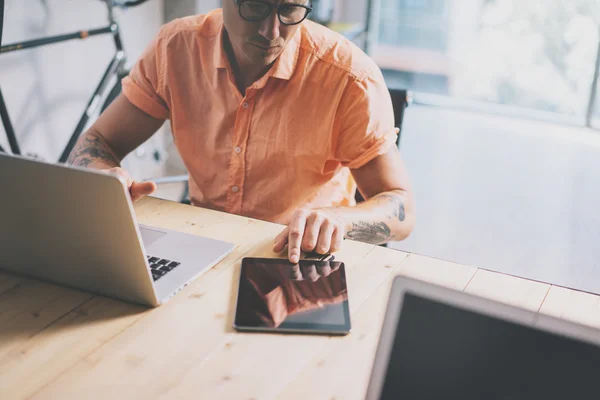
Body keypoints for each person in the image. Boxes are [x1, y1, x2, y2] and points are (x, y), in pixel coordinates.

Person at [67, 0, 415, 263]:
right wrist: (103, 177)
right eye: (255, 5)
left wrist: (339, 220)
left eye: (290, 8)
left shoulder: (349, 78)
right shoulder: (175, 48)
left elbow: (401, 208)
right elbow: (97, 142)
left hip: (300, 255)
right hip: (200, 241)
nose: (271, 31)